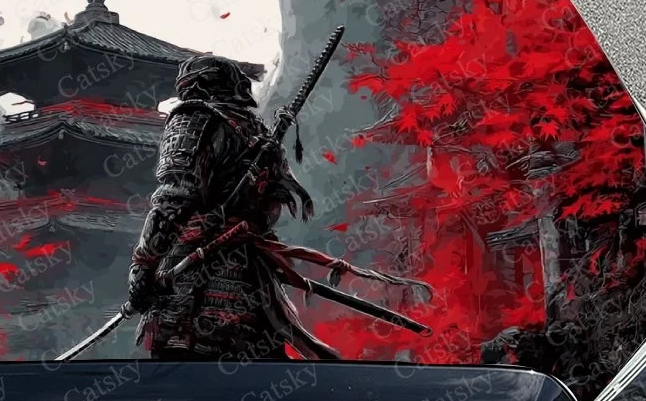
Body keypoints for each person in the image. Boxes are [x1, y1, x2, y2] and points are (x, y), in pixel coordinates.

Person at [126, 55, 430, 360]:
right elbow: (272, 208)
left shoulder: (191, 118)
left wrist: (143, 264)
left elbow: (173, 200)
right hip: (249, 281)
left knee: (184, 380)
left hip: (193, 284)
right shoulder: (257, 132)